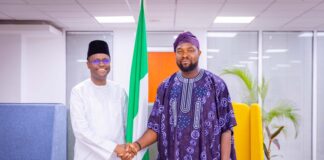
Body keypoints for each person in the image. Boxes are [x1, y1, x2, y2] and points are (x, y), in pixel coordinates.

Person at [124, 31, 237, 160]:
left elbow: (226, 127)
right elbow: (155, 128)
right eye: (180, 51)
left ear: (199, 53)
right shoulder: (165, 87)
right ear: (175, 54)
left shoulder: (216, 84)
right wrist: (136, 146)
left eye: (190, 50)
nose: (185, 55)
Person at [70, 40, 128, 160]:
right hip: (88, 156)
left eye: (105, 60)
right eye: (96, 61)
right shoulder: (79, 91)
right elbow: (81, 131)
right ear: (88, 64)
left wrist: (126, 148)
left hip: (117, 156)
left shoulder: (119, 90)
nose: (102, 64)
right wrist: (114, 147)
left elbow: (126, 124)